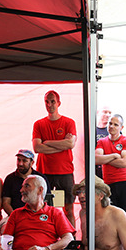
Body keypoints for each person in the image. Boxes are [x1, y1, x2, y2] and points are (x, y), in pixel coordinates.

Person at [32, 90, 77, 226]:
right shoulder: (39, 124)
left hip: (65, 172)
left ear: (59, 103)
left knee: (68, 209)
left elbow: (70, 143)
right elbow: (37, 148)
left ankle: (71, 240)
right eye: (47, 101)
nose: (49, 104)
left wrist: (48, 142)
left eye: (53, 101)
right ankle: (47, 239)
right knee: (44, 209)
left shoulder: (69, 122)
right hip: (45, 173)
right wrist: (61, 145)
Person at [0, 149, 48, 231]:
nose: (20, 163)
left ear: (32, 163)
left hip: (37, 215)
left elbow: (47, 200)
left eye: (24, 161)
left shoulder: (40, 178)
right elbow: (6, 202)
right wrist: (15, 216)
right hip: (14, 215)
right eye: (18, 160)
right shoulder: (10, 178)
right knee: (5, 228)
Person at [95, 114, 126, 214]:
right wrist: (114, 155)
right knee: (109, 214)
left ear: (121, 127)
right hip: (108, 183)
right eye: (110, 123)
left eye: (116, 125)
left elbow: (124, 163)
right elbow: (96, 160)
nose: (112, 126)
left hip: (124, 182)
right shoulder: (102, 141)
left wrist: (105, 158)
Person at [95, 105, 113, 178]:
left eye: (110, 113)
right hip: (94, 169)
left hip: (109, 168)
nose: (108, 115)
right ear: (98, 112)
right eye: (105, 112)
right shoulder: (91, 130)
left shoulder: (113, 131)